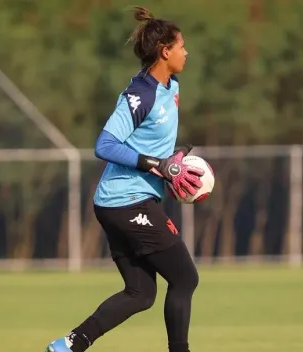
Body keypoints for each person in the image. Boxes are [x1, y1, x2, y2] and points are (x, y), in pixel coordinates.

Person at [45, 6, 204, 352]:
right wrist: (155, 164)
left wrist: (169, 160)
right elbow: (104, 145)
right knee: (185, 277)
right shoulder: (141, 94)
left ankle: (68, 346)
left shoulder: (170, 87)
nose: (186, 52)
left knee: (141, 293)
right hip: (125, 201)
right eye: (181, 46)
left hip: (123, 203)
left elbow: (147, 142)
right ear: (165, 51)